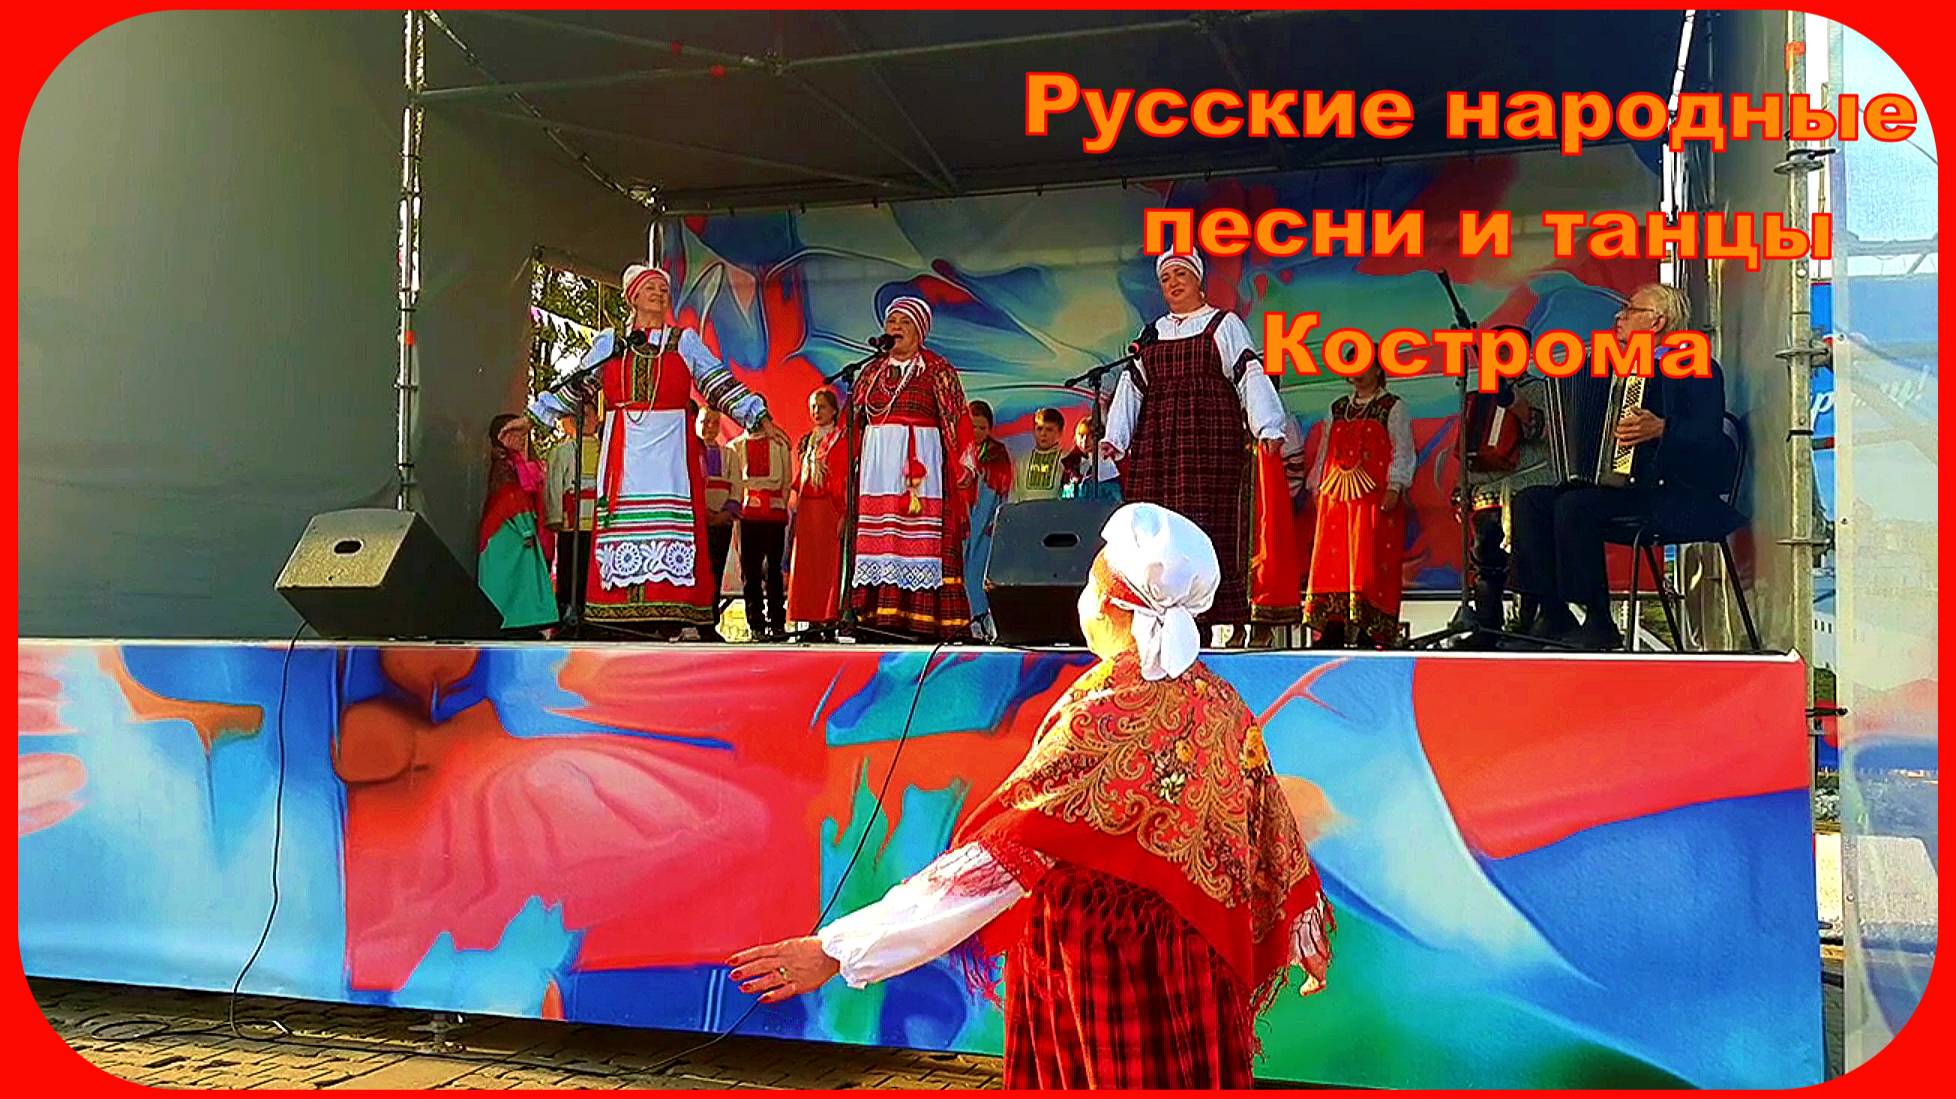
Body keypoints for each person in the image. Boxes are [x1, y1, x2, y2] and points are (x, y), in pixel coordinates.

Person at [727, 503, 1334, 1089]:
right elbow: (1268, 829)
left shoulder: (1103, 713)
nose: (1083, 598)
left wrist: (838, 950)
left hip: (1103, 969)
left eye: (1092, 581)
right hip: (1191, 971)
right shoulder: (1221, 701)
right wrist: (1302, 926)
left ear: (1116, 603)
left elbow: (996, 863)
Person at [1510, 282, 1740, 650]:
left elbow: (1710, 437)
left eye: (1630, 309)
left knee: (1575, 506)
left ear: (1656, 321)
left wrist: (1663, 428)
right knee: (1531, 501)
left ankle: (1598, 620)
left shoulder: (1697, 368)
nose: (1620, 316)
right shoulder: (1618, 369)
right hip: (1625, 488)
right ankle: (1552, 612)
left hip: (1674, 492)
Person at [1104, 250, 1288, 633]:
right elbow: (1132, 387)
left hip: (1209, 438)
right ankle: (1165, 620)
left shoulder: (1223, 324)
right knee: (1161, 529)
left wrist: (1268, 426)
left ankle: (1220, 617)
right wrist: (1115, 438)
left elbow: (1249, 373)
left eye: (1180, 275)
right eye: (1166, 278)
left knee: (1208, 522)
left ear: (1197, 280)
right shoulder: (1152, 334)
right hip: (1159, 445)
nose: (1173, 283)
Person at [586, 263, 772, 638]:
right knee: (623, 522)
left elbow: (717, 381)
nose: (659, 294)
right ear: (632, 297)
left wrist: (756, 415)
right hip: (624, 446)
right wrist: (539, 414)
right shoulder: (611, 344)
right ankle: (619, 612)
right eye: (650, 288)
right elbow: (579, 385)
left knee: (668, 523)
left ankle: (667, 610)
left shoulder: (683, 342)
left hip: (669, 445)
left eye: (663, 289)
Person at [847, 296, 978, 641]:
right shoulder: (871, 372)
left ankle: (923, 620)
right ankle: (873, 616)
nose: (896, 328)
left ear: (920, 331)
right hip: (877, 469)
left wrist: (964, 462)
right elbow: (852, 421)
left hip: (920, 470)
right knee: (879, 539)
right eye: (891, 322)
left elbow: (958, 418)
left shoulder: (937, 369)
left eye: (904, 323)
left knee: (919, 539)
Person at [1303, 362, 1414, 649]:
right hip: (1336, 499)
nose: (1358, 373)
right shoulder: (1338, 408)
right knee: (1334, 564)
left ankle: (1370, 631)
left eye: (1365, 366)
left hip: (1373, 500)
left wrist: (1395, 485)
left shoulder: (1392, 407)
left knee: (1371, 562)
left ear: (1378, 369)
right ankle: (1333, 629)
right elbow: (1325, 450)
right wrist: (1317, 485)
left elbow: (1402, 448)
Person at [477, 413, 558, 637]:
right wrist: (526, 527)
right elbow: (510, 498)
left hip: (517, 527)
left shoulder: (518, 464)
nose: (521, 439)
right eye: (514, 434)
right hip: (511, 530)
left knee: (517, 580)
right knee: (514, 580)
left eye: (523, 434)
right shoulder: (505, 465)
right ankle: (516, 620)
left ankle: (520, 620)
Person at [786, 388, 851, 638]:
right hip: (807, 510)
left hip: (829, 509)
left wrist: (843, 513)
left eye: (822, 406)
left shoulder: (840, 441)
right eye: (813, 406)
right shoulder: (808, 441)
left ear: (834, 410)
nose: (816, 411)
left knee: (827, 568)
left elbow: (843, 479)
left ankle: (828, 619)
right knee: (806, 567)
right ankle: (810, 620)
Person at [544, 397, 602, 625]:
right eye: (579, 416)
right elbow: (553, 484)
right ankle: (567, 607)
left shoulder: (606, 448)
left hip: (598, 521)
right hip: (572, 520)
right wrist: (555, 516)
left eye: (588, 415)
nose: (584, 421)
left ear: (597, 418)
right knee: (569, 564)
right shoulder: (563, 451)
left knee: (592, 567)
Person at [734, 417, 793, 641]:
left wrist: (780, 505)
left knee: (774, 569)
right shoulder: (736, 446)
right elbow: (736, 484)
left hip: (774, 512)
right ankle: (755, 623)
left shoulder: (780, 444)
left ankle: (777, 621)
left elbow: (786, 481)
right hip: (748, 513)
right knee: (750, 571)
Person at [964, 399, 1017, 641]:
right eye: (972, 426)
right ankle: (964, 620)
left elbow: (1004, 489)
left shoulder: (997, 452)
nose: (977, 432)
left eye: (982, 427)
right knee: (961, 570)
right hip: (963, 519)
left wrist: (998, 518)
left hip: (985, 521)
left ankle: (983, 619)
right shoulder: (957, 449)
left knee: (979, 570)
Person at [697, 405, 743, 640]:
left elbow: (737, 486)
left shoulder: (729, 454)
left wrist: (725, 513)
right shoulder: (691, 453)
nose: (710, 427)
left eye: (715, 422)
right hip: (698, 523)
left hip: (722, 523)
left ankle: (711, 623)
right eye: (705, 421)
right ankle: (692, 623)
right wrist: (702, 512)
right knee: (697, 573)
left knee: (715, 573)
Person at [1012, 408, 1066, 502]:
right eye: (1039, 428)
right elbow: (1015, 495)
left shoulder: (1066, 460)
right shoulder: (1022, 461)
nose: (1043, 434)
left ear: (1059, 433)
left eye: (1049, 430)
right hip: (1026, 510)